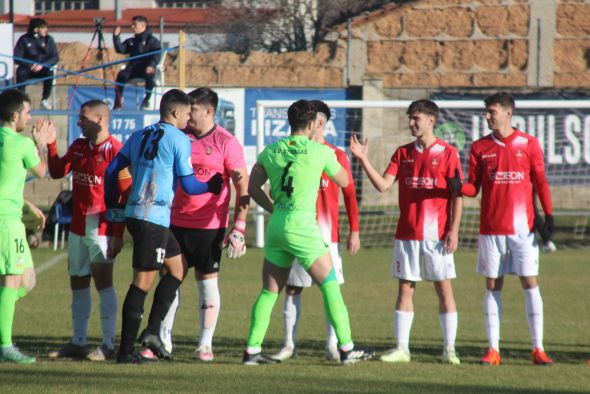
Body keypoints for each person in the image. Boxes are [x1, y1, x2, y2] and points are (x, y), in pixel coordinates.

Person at [244, 99, 373, 365]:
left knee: (269, 291)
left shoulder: (272, 151)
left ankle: (252, 351)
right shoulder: (320, 152)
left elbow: (253, 187)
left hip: (277, 224)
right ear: (313, 124)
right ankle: (347, 349)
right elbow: (345, 181)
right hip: (303, 225)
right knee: (330, 286)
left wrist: (273, 208)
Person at [104, 89, 223, 364]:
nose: (189, 117)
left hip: (140, 214)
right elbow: (191, 185)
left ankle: (153, 332)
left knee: (177, 269)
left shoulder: (140, 133)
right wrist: (212, 185)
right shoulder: (179, 139)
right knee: (142, 283)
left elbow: (113, 172)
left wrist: (116, 203)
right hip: (152, 219)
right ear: (175, 112)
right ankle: (125, 353)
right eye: (187, 112)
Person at [349, 99, 463, 365]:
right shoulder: (403, 153)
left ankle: (449, 349)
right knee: (405, 289)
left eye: (416, 118)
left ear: (431, 121)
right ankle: (402, 348)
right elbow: (383, 185)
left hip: (437, 237)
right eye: (410, 118)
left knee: (444, 289)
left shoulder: (449, 153)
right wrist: (364, 159)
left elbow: (457, 195)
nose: (411, 122)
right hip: (407, 234)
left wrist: (454, 230)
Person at [448, 92, 554, 366]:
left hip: (523, 230)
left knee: (530, 282)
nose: (487, 116)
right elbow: (474, 187)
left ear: (508, 113)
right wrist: (459, 187)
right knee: (493, 284)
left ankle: (538, 349)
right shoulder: (479, 147)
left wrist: (549, 215)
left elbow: (540, 183)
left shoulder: (528, 144)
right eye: (486, 112)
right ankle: (493, 350)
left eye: (492, 111)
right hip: (491, 230)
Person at [156, 88, 249, 361]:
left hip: (210, 227)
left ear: (208, 112)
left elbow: (242, 185)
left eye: (192, 109)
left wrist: (239, 227)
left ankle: (205, 344)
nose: (187, 114)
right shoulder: (177, 136)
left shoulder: (226, 142)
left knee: (207, 284)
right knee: (170, 280)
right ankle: (163, 339)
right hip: (174, 223)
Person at [271, 100, 360, 362]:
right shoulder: (290, 152)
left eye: (315, 118)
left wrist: (354, 230)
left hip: (327, 236)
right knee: (292, 288)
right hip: (298, 231)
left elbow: (350, 193)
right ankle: (289, 345)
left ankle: (333, 345)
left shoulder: (335, 154)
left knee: (330, 289)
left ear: (320, 122)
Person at [45, 100, 131, 361]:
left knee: (103, 282)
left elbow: (123, 196)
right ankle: (78, 341)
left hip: (102, 227)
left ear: (100, 120)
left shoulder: (117, 152)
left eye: (83, 118)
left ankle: (107, 345)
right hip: (78, 225)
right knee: (78, 281)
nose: (79, 122)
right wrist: (50, 144)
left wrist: (117, 233)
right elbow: (58, 171)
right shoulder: (80, 146)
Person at [0, 89, 51, 363]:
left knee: (27, 280)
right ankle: (5, 346)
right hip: (5, 222)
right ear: (15, 114)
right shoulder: (20, 144)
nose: (30, 117)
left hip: (11, 216)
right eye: (28, 112)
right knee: (10, 279)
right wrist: (39, 143)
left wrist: (26, 204)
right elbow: (43, 172)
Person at [113, 15, 161, 110]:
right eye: (132, 24)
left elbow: (156, 55)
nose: (132, 27)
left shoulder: (153, 41)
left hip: (146, 68)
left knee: (150, 75)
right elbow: (121, 50)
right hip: (132, 68)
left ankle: (147, 99)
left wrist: (151, 65)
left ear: (143, 26)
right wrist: (116, 37)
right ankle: (118, 101)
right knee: (121, 75)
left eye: (135, 25)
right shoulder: (132, 40)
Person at [14, 18, 59, 110]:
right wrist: (29, 64)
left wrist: (42, 65)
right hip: (27, 69)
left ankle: (44, 99)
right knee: (20, 72)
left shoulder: (48, 39)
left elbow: (55, 57)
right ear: (35, 29)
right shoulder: (24, 39)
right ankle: (22, 100)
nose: (46, 30)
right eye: (43, 28)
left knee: (49, 72)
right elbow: (17, 57)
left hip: (43, 68)